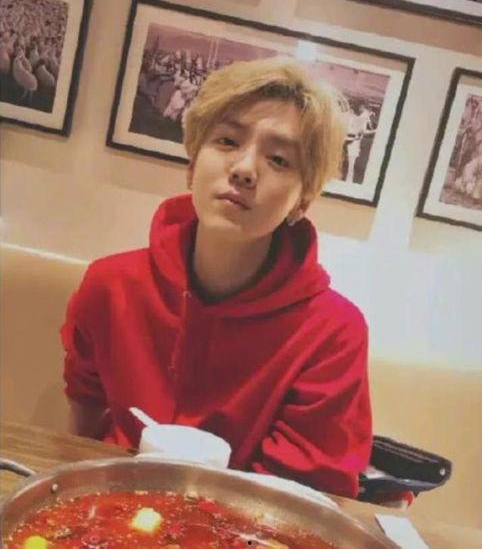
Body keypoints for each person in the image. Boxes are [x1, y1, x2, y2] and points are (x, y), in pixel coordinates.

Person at [61, 58, 372, 498]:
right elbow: (83, 429)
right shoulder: (111, 285)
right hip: (111, 504)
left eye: (279, 159)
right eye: (227, 140)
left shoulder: (331, 333)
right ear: (193, 166)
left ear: (302, 200)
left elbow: (297, 498)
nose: (244, 168)